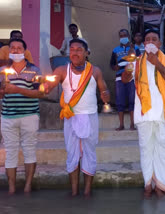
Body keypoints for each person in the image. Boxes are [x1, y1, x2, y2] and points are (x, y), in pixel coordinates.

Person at [44, 39, 110, 196]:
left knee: (89, 153)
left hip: (90, 117)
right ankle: (74, 192)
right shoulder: (61, 70)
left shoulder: (95, 71)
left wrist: (106, 96)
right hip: (70, 117)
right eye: (72, 49)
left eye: (79, 49)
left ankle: (87, 191)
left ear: (87, 53)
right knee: (72, 153)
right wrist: (44, 85)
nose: (74, 52)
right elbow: (47, 88)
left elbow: (104, 92)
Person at [122, 29, 165, 197]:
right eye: (147, 40)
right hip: (144, 113)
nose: (150, 42)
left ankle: (163, 185)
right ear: (144, 44)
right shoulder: (137, 61)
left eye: (154, 39)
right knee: (146, 149)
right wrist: (127, 71)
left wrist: (157, 64)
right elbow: (126, 79)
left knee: (164, 149)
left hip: (163, 113)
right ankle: (148, 183)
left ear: (159, 43)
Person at [0, 38, 42, 194]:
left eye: (19, 48)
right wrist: (3, 91)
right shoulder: (2, 70)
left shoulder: (34, 70)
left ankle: (27, 186)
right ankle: (11, 188)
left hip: (29, 115)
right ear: (9, 51)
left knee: (29, 150)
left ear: (25, 51)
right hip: (7, 116)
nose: (16, 51)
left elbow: (40, 92)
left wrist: (17, 90)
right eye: (13, 48)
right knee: (10, 151)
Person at [110, 29, 141, 131]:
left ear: (128, 36)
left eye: (125, 35)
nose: (123, 37)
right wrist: (116, 67)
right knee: (120, 101)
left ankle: (133, 124)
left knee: (132, 100)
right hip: (119, 77)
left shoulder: (135, 48)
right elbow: (111, 65)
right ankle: (121, 125)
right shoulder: (115, 50)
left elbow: (140, 61)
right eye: (121, 36)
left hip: (132, 77)